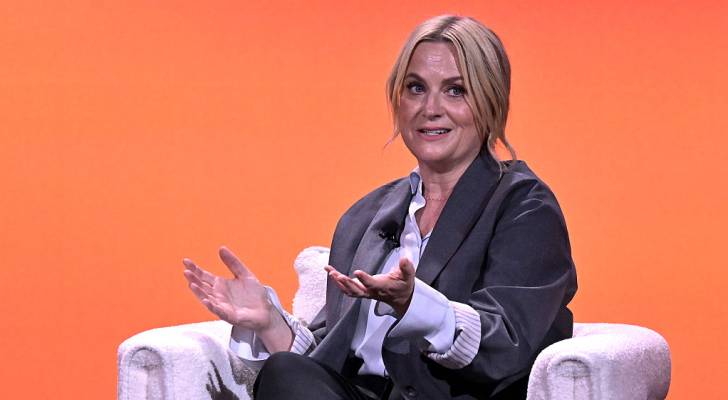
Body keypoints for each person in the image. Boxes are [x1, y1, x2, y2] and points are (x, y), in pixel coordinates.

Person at [183, 14, 577, 400]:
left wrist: (416, 304)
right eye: (416, 88)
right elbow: (330, 358)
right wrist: (269, 322)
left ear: (491, 101)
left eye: (456, 90)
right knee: (286, 372)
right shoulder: (365, 217)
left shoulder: (524, 207)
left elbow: (509, 342)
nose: (430, 108)